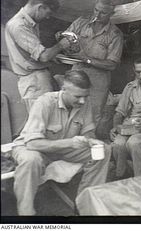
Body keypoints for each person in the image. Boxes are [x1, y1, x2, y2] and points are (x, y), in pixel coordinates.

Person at [12, 70, 111, 215]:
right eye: (78, 97)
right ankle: (25, 211)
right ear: (64, 90)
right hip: (33, 148)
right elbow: (33, 143)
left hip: (64, 148)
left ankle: (84, 204)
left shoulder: (84, 102)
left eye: (85, 96)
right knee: (31, 160)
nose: (82, 101)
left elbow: (88, 130)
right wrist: (69, 143)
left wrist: (90, 140)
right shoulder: (44, 103)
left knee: (104, 150)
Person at [5, 0, 72, 111]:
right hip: (34, 83)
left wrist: (53, 55)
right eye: (48, 13)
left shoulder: (30, 23)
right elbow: (44, 56)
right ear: (40, 7)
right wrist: (62, 45)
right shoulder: (19, 26)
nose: (47, 18)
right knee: (40, 124)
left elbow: (33, 54)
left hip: (38, 80)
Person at [63, 0, 123, 124]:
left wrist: (87, 59)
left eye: (103, 13)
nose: (97, 15)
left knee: (93, 117)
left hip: (98, 81)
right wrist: (64, 41)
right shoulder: (81, 22)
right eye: (96, 10)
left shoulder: (115, 35)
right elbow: (66, 40)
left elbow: (112, 65)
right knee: (71, 113)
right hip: (77, 75)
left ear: (111, 13)